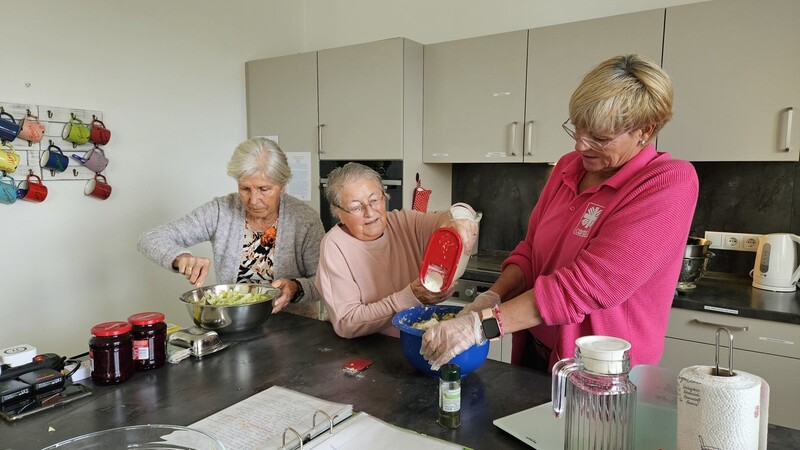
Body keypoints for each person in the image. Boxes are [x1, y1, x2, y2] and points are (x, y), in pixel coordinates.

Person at [421, 54, 699, 371]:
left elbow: (585, 287)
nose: (581, 145)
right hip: (537, 354)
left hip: (600, 373)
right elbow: (530, 253)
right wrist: (492, 297)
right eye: (578, 128)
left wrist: (479, 326)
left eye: (600, 137)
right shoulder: (568, 167)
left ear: (645, 131)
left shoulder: (667, 183)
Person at [138, 137, 324, 313]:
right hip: (233, 326)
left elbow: (323, 282)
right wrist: (180, 257)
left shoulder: (304, 220)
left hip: (296, 330)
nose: (253, 200)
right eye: (245, 189)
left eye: (263, 189)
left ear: (282, 186)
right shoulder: (221, 211)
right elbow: (150, 238)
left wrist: (295, 288)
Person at [315, 162, 478, 338]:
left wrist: (461, 218)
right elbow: (347, 323)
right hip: (368, 349)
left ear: (384, 197)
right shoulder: (335, 246)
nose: (369, 212)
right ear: (338, 212)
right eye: (356, 207)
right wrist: (411, 297)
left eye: (374, 200)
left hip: (419, 342)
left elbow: (451, 215)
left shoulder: (405, 222)